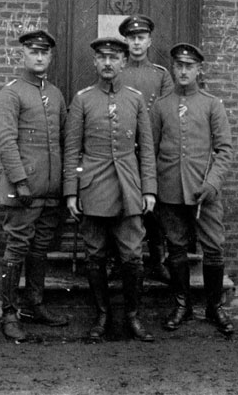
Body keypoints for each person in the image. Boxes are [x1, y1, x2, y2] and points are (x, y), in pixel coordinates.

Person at [63, 37, 157, 343]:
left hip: (129, 189)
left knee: (132, 257)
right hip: (93, 189)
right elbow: (72, 149)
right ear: (94, 62)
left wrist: (149, 190)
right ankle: (102, 315)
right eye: (102, 57)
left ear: (124, 62)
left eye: (114, 58)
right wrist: (72, 192)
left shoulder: (135, 99)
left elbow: (146, 149)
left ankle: (132, 316)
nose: (107, 63)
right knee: (95, 256)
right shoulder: (83, 99)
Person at [150, 43, 234, 336]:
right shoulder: (160, 106)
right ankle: (182, 305)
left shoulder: (212, 104)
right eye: (178, 65)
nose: (183, 71)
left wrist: (211, 184)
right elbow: (152, 149)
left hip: (204, 191)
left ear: (200, 69)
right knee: (176, 249)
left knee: (213, 248)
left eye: (189, 66)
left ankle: (213, 307)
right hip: (170, 190)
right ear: (173, 68)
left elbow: (224, 151)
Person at [0, 29, 69, 342]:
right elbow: (5, 140)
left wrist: (65, 185)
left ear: (50, 56)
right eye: (33, 51)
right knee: (17, 247)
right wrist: (20, 181)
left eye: (45, 52)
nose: (39, 57)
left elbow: (64, 140)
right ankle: (9, 313)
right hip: (24, 191)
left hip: (51, 191)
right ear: (22, 54)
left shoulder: (55, 93)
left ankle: (34, 305)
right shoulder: (12, 92)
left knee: (40, 249)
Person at [118, 14, 174, 284]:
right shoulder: (118, 71)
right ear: (125, 41)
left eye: (141, 38)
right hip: (124, 152)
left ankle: (157, 260)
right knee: (121, 205)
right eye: (131, 38)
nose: (136, 43)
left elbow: (168, 114)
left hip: (152, 151)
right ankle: (119, 260)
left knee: (154, 210)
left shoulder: (161, 76)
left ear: (150, 40)